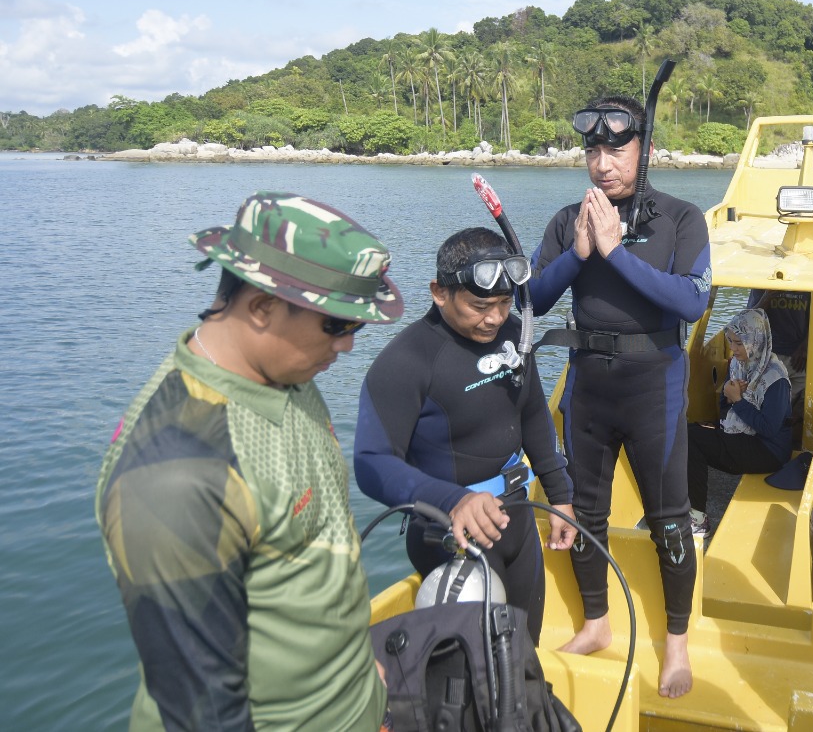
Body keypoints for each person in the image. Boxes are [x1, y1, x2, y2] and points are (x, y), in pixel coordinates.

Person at [96, 190, 401, 730]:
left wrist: (358, 671)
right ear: (261, 307)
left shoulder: (287, 374)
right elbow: (201, 710)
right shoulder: (178, 475)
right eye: (337, 325)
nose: (349, 346)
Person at [528, 93, 711, 699]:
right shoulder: (567, 221)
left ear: (645, 149)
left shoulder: (680, 218)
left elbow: (691, 301)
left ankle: (677, 643)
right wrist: (579, 255)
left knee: (669, 517)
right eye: (593, 150)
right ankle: (597, 623)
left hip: (654, 383)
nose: (603, 163)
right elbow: (531, 301)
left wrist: (613, 253)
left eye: (617, 148)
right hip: (588, 384)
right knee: (583, 511)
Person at [354, 227, 577, 645]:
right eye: (479, 305)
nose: (493, 317)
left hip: (518, 519)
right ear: (440, 293)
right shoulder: (406, 361)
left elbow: (530, 413)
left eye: (504, 302)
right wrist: (453, 501)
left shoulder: (513, 334)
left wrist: (560, 493)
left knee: (525, 653)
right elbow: (371, 462)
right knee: (477, 673)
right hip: (452, 533)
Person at [686, 308, 792, 535]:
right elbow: (725, 412)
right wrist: (727, 395)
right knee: (688, 431)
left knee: (689, 440)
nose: (733, 350)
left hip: (768, 451)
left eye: (738, 343)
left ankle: (697, 518)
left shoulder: (776, 377)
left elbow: (769, 428)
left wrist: (737, 401)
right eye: (731, 342)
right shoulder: (738, 366)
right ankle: (687, 506)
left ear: (755, 339)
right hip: (743, 436)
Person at [745, 288, 810, 404]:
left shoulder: (809, 285)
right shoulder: (762, 285)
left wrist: (805, 347)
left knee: (797, 403)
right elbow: (748, 320)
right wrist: (767, 297)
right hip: (769, 354)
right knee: (767, 403)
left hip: (799, 357)